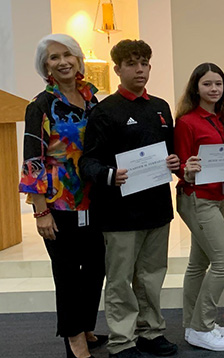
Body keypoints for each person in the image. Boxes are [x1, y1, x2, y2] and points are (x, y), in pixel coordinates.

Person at [80, 39, 180, 358]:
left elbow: (170, 152)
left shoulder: (160, 107)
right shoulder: (105, 111)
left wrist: (174, 162)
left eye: (145, 63)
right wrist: (110, 174)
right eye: (132, 64)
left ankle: (151, 331)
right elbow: (88, 161)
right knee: (121, 280)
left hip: (157, 208)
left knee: (151, 277)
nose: (140, 69)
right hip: (119, 211)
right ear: (118, 69)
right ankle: (122, 340)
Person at [19, 33, 105, 358]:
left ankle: (86, 325)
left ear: (79, 59)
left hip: (94, 199)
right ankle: (75, 340)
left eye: (67, 55)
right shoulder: (40, 105)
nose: (62, 62)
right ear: (45, 66)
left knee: (96, 266)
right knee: (68, 273)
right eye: (53, 57)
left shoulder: (94, 100)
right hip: (58, 202)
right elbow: (32, 159)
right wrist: (40, 210)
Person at [174, 63, 224, 351]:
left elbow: (223, 159)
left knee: (198, 264)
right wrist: (186, 168)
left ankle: (193, 324)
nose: (214, 89)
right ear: (196, 88)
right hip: (195, 197)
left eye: (218, 84)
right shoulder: (187, 121)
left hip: (215, 197)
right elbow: (181, 165)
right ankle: (203, 326)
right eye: (207, 84)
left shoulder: (222, 120)